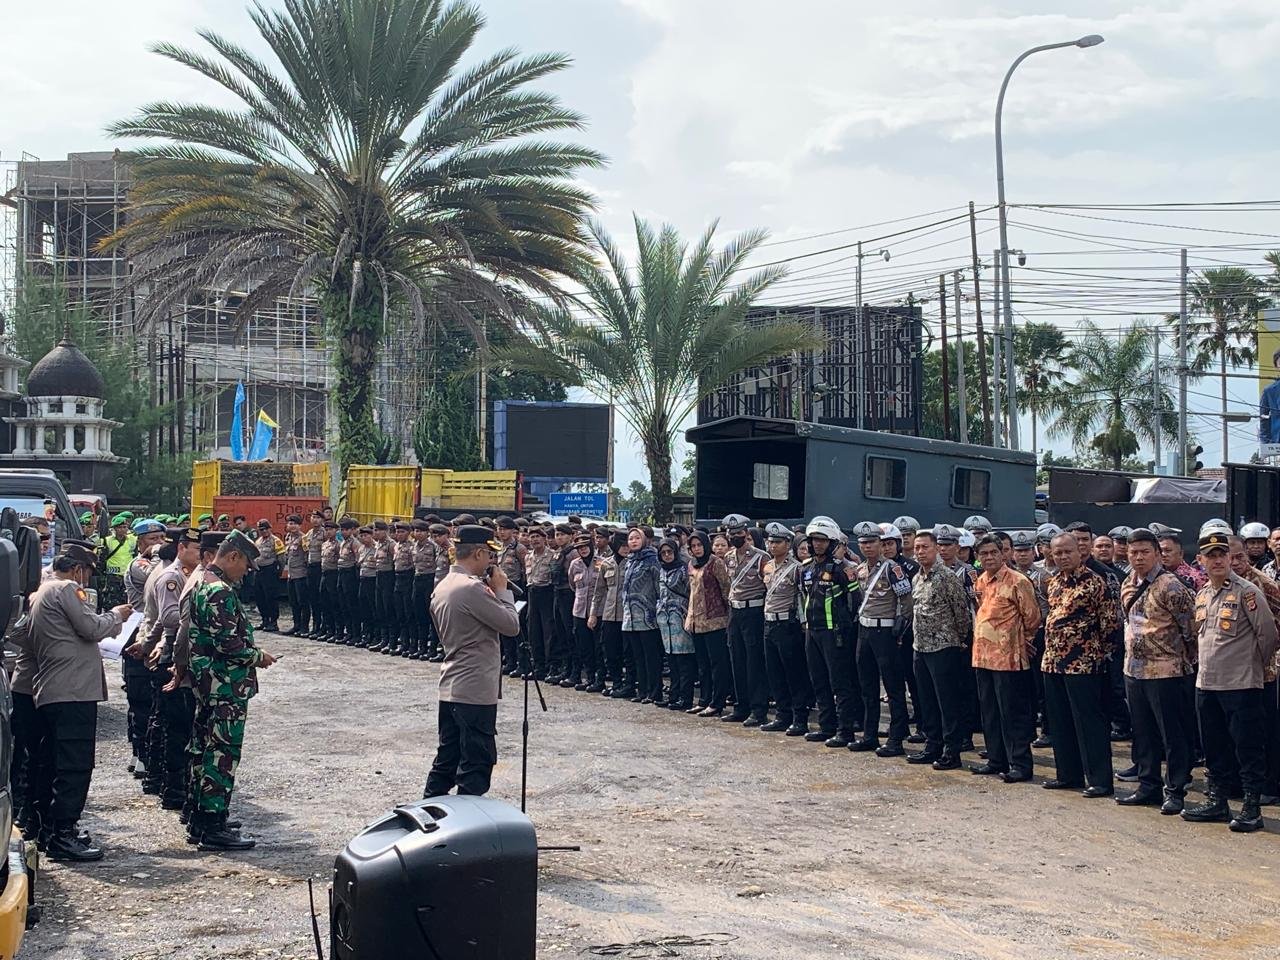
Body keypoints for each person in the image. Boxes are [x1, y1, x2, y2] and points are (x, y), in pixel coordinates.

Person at [29, 540, 130, 861]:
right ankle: (63, 833)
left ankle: (50, 829)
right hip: (73, 691)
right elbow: (89, 627)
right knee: (74, 765)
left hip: (53, 688)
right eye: (86, 572)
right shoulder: (67, 588)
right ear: (77, 569)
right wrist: (116, 616)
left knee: (52, 763)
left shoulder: (40, 591)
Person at [187, 530, 277, 850]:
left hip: (210, 682)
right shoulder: (219, 590)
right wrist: (258, 657)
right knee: (221, 754)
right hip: (224, 684)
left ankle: (201, 818)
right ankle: (213, 825)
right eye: (247, 564)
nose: (248, 571)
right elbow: (229, 644)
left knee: (203, 749)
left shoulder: (203, 582)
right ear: (233, 556)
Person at [1183, 530, 1278, 832]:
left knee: (1247, 748)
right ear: (1200, 561)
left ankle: (1251, 807)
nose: (1217, 561)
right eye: (1210, 556)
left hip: (1241, 684)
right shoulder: (1202, 594)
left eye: (1222, 555)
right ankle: (1217, 801)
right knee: (1215, 747)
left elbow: (1269, 637)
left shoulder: (1248, 592)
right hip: (1207, 684)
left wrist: (1251, 667)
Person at [425, 525, 519, 798]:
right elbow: (511, 625)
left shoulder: (445, 585)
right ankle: (464, 826)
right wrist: (502, 592)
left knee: (447, 760)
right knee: (476, 764)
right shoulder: (471, 589)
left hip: (453, 682)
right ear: (478, 553)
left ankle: (428, 816)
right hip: (475, 686)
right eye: (489, 555)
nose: (492, 562)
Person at [1116, 528, 1195, 814]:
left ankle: (1175, 790)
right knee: (1143, 733)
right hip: (1134, 670)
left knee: (1172, 735)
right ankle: (1147, 786)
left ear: (1157, 554)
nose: (1138, 558)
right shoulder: (1128, 582)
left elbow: (1191, 628)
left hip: (1166, 671)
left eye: (1144, 552)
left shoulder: (1171, 586)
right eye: (1133, 552)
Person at [1041, 532, 1119, 798]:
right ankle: (1068, 774)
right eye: (1057, 552)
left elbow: (1110, 624)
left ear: (1079, 552)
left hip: (1083, 664)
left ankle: (1099, 780)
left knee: (1089, 724)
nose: (1062, 557)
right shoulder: (1053, 583)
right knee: (1059, 721)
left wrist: (1098, 654)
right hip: (1053, 662)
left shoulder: (1095, 582)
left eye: (1067, 552)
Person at [971, 534, 1042, 783]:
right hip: (982, 657)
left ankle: (1020, 764)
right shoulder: (980, 581)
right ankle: (995, 759)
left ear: (1003, 554)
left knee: (1013, 713)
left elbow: (1032, 618)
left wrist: (1022, 641)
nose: (989, 557)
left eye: (993, 552)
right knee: (989, 712)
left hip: (1009, 658)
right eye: (984, 554)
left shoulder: (1017, 581)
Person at [909, 528, 974, 770]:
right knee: (927, 701)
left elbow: (962, 613)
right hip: (921, 647)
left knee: (947, 702)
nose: (920, 551)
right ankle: (932, 745)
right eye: (917, 548)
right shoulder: (917, 578)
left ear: (937, 549)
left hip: (944, 647)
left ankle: (951, 751)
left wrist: (958, 640)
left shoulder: (947, 577)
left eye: (925, 547)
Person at [850, 521, 913, 757]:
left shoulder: (892, 569)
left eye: (872, 542)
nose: (867, 547)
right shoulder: (861, 570)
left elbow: (906, 601)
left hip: (885, 631)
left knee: (894, 687)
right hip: (865, 631)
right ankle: (869, 735)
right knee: (867, 685)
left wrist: (901, 628)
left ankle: (896, 738)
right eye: (864, 543)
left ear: (880, 544)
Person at [799, 517, 861, 748]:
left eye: (823, 540)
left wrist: (843, 627)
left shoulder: (844, 569)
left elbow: (855, 601)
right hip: (812, 632)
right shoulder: (806, 568)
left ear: (832, 542)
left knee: (840, 683)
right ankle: (826, 727)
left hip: (834, 633)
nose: (817, 544)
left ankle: (845, 730)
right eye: (814, 540)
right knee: (818, 680)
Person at [761, 523, 811, 736]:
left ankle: (800, 718)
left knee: (794, 673)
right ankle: (782, 715)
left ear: (788, 544)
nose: (773, 546)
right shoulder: (768, 566)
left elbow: (803, 598)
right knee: (775, 673)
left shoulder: (797, 568)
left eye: (778, 542)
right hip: (769, 623)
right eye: (770, 541)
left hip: (787, 624)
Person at [722, 514, 771, 727]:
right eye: (731, 534)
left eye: (739, 534)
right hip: (735, 611)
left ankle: (758, 709)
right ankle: (741, 707)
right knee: (737, 660)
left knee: (754, 662)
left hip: (754, 611)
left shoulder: (761, 558)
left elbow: (769, 586)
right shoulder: (729, 557)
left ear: (747, 534)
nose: (735, 537)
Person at [685, 530, 731, 716]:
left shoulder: (716, 563)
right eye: (693, 546)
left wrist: (729, 616)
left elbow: (726, 589)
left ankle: (717, 702)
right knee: (702, 664)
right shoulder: (691, 565)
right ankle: (704, 699)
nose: (697, 549)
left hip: (716, 621)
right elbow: (692, 593)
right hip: (696, 621)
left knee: (717, 664)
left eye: (699, 545)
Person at [621, 527, 662, 704]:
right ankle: (642, 690)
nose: (634, 541)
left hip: (648, 617)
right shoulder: (630, 561)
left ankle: (655, 692)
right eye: (631, 539)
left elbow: (659, 587)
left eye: (637, 538)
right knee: (638, 656)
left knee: (651, 656)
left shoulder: (652, 560)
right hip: (631, 617)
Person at [592, 530, 632, 698]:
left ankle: (630, 684)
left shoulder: (632, 563)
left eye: (627, 545)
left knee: (628, 653)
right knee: (610, 651)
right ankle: (616, 682)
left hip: (627, 615)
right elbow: (599, 591)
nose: (625, 549)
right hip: (609, 614)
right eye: (622, 546)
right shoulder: (606, 564)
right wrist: (593, 614)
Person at [656, 538, 695, 710]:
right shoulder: (662, 570)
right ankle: (673, 695)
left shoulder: (683, 569)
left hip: (680, 617)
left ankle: (685, 698)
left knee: (684, 661)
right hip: (665, 621)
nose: (666, 555)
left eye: (669, 552)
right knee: (671, 660)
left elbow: (690, 592)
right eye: (663, 553)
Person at [568, 535, 600, 690]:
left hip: (597, 611)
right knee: (583, 646)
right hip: (579, 610)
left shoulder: (601, 562)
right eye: (580, 548)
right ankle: (589, 677)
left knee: (598, 646)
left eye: (586, 546)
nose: (583, 550)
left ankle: (599, 679)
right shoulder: (575, 564)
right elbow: (572, 586)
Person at [524, 527, 555, 680]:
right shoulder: (528, 557)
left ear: (544, 538)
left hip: (546, 592)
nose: (535, 540)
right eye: (532, 537)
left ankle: (551, 666)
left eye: (538, 537)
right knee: (533, 631)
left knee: (548, 631)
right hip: (532, 592)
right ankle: (538, 666)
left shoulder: (552, 556)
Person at [253, 519, 284, 632]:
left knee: (270, 597)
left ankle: (273, 622)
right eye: (261, 529)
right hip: (259, 571)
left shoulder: (276, 541)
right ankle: (265, 620)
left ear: (270, 528)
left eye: (266, 529)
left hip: (270, 570)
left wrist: (278, 572)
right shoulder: (258, 541)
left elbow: (281, 559)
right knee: (259, 597)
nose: (264, 531)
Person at [283, 515, 310, 636]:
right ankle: (296, 625)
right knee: (293, 602)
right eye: (290, 523)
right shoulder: (288, 537)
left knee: (302, 602)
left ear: (299, 525)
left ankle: (304, 627)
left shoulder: (303, 538)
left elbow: (306, 556)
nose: (292, 526)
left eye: (294, 523)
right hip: (291, 574)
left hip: (301, 574)